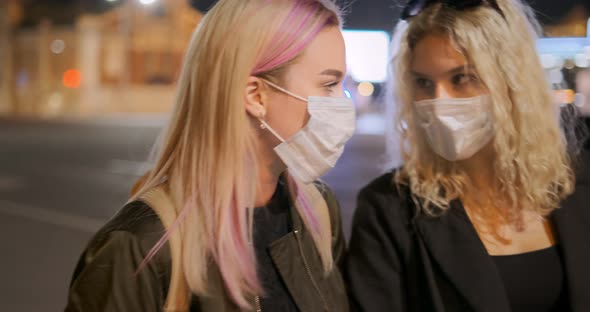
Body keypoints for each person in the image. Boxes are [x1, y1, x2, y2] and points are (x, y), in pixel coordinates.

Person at [65, 0, 354, 311]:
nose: (343, 102)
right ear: (255, 95)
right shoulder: (139, 248)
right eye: (329, 85)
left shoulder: (318, 213)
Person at [345, 0, 590, 311]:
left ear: (511, 82)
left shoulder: (577, 187)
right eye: (423, 82)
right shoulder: (390, 209)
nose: (439, 100)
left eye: (461, 78)